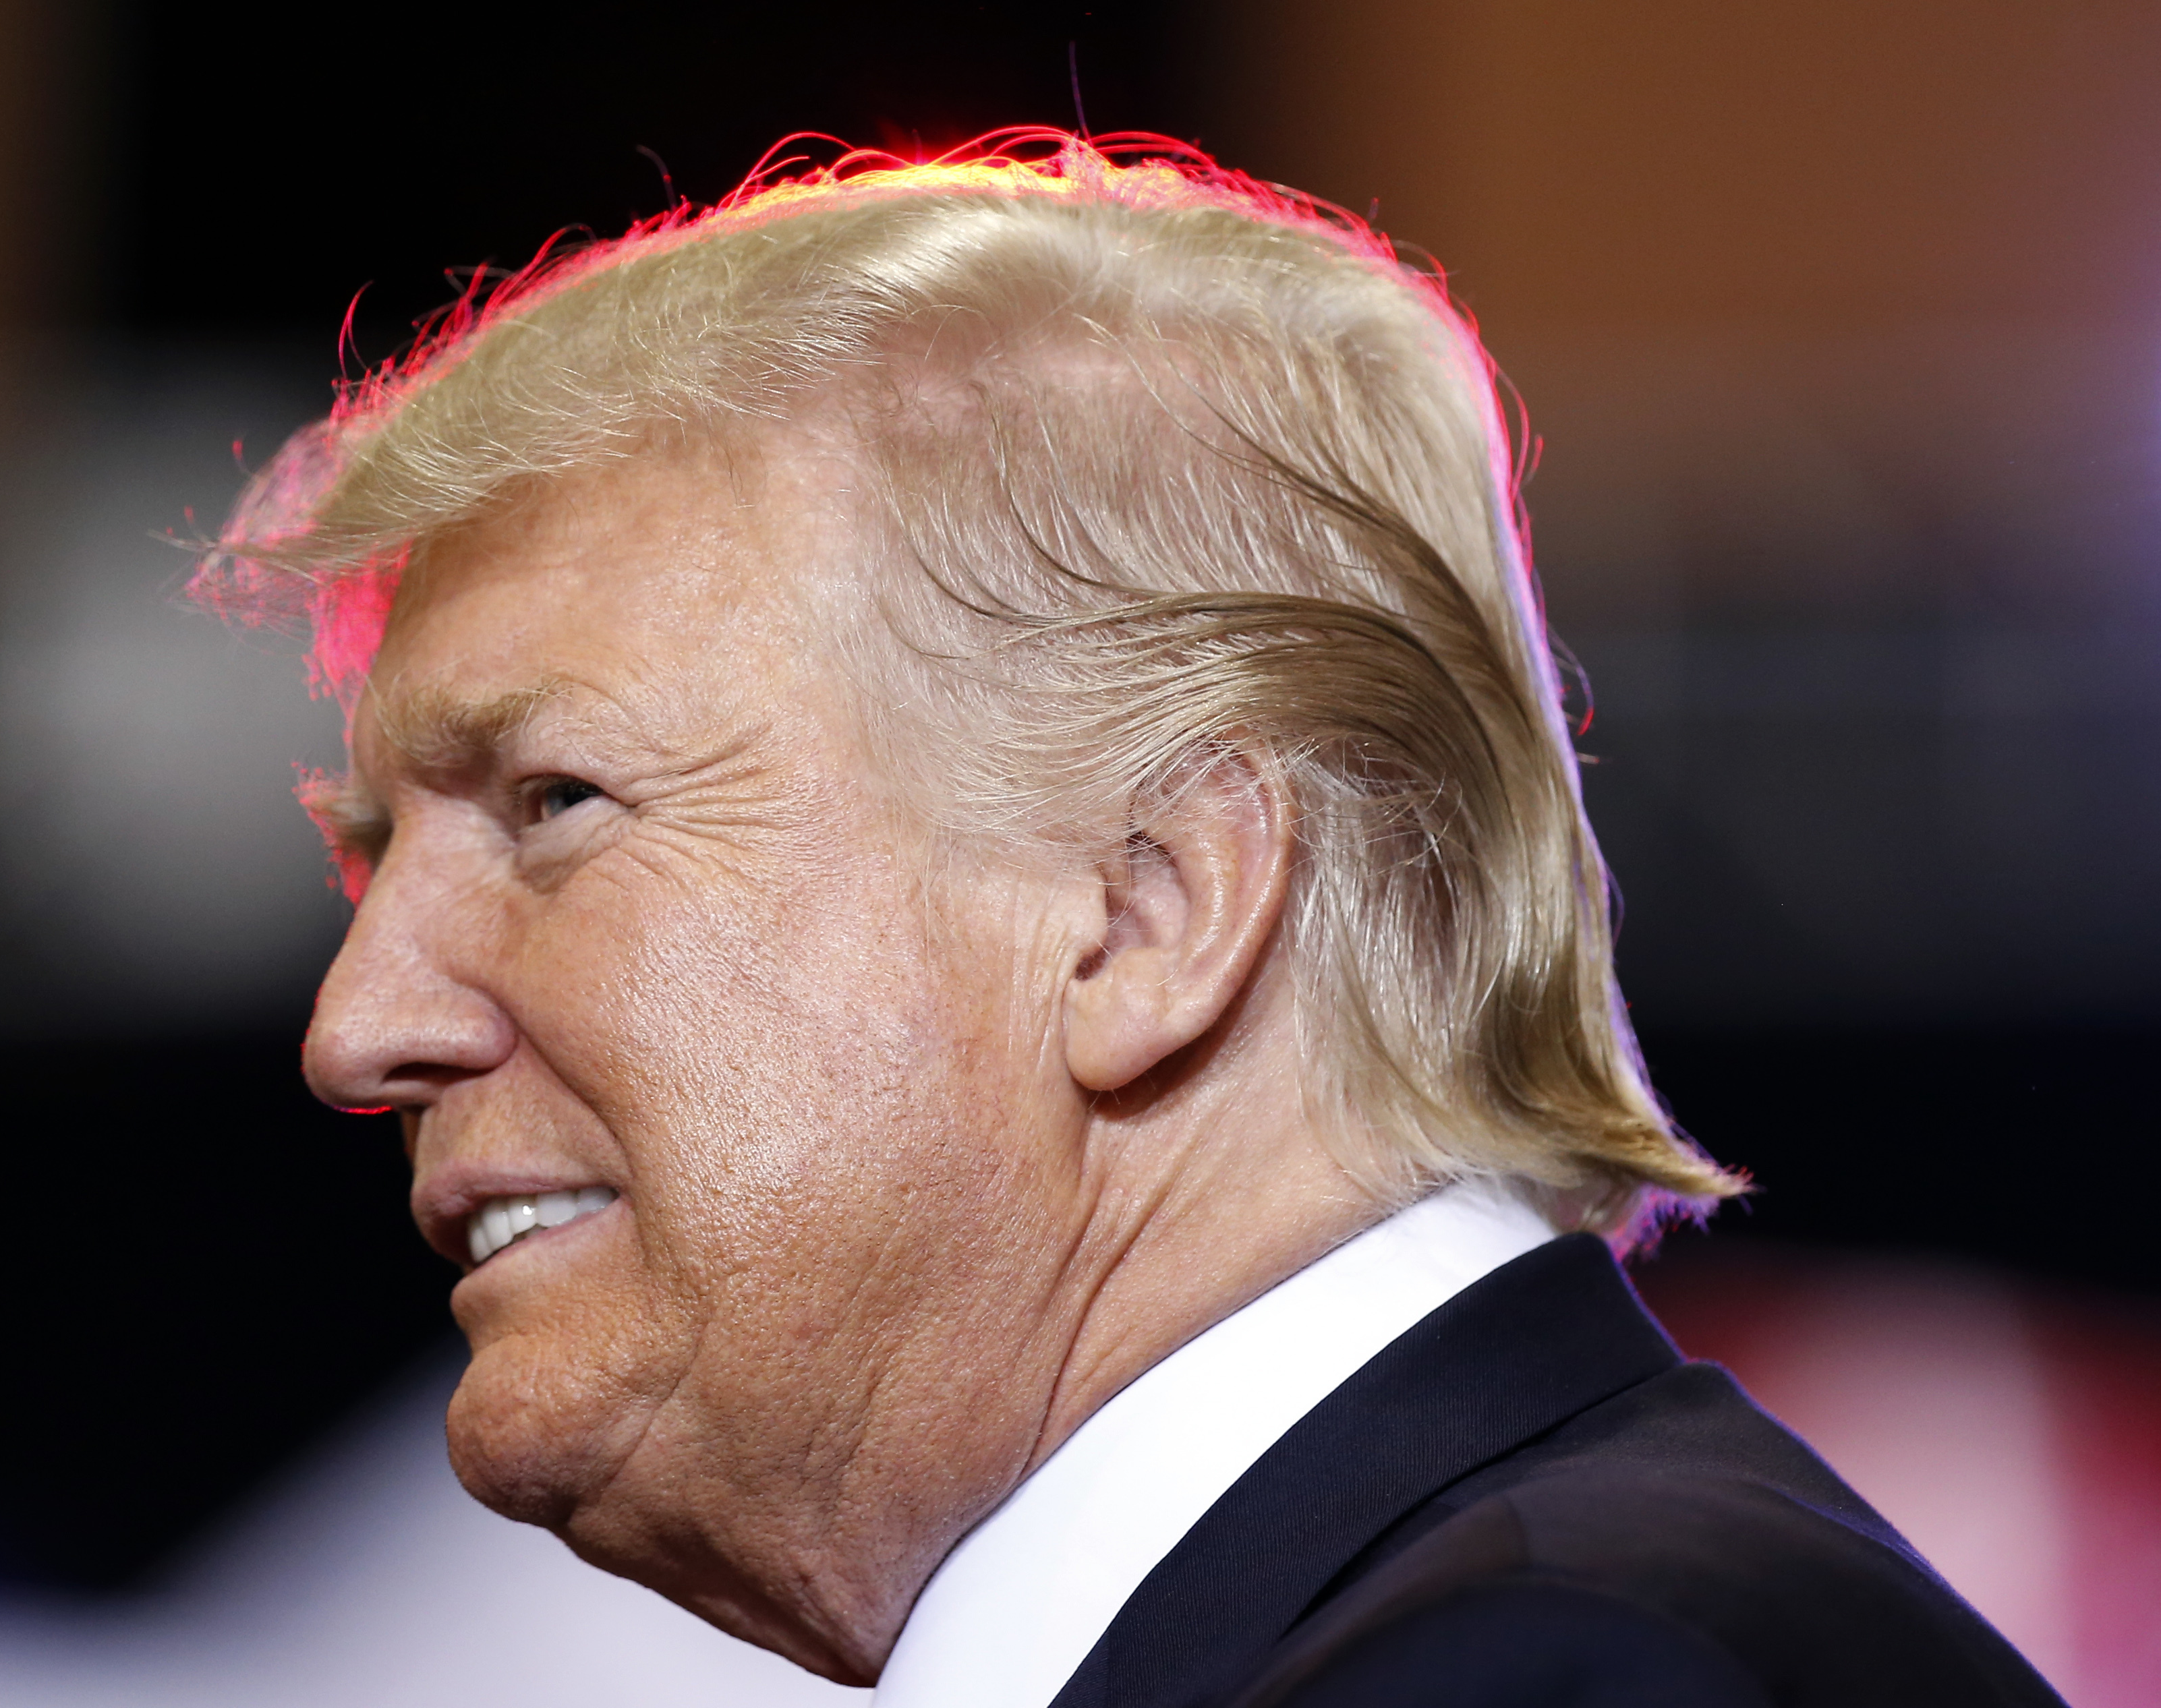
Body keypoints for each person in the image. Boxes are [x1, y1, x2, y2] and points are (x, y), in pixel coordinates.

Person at [201, 134, 2060, 1707]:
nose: (357, 1025)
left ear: (1147, 907)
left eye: (553, 807)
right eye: (375, 857)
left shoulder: (1556, 1676)